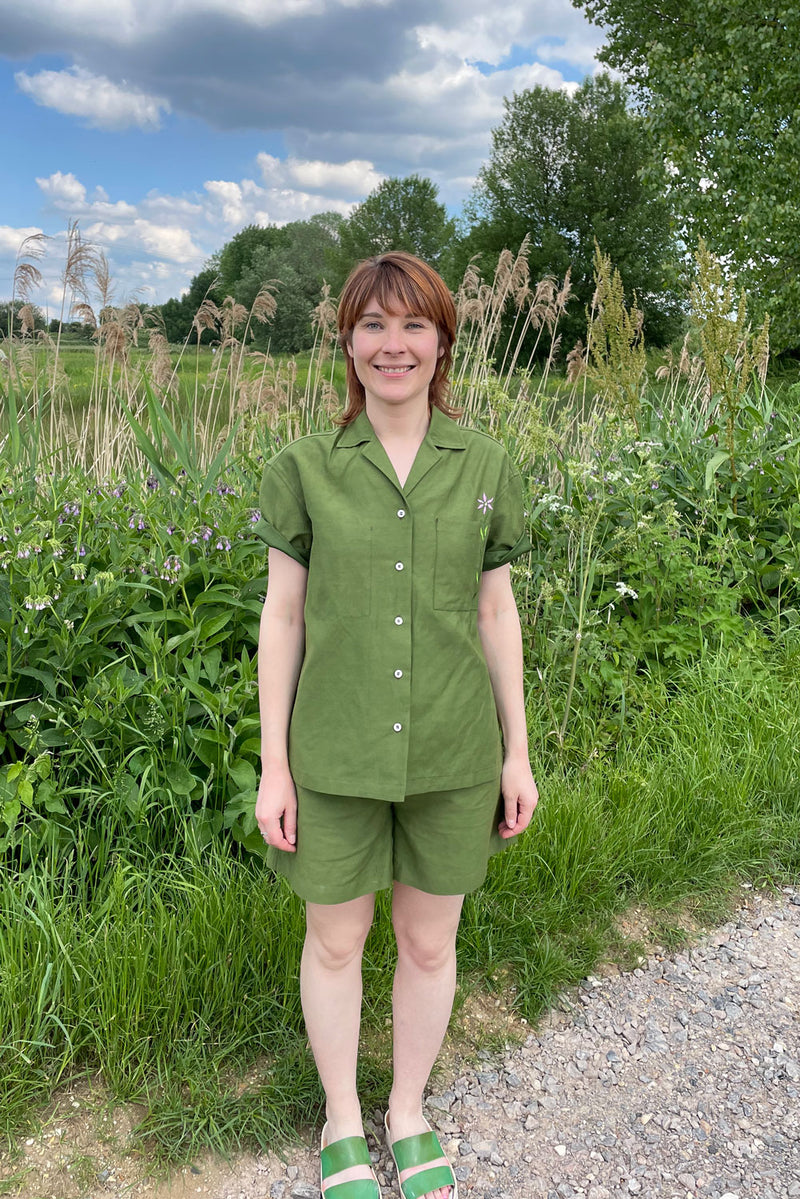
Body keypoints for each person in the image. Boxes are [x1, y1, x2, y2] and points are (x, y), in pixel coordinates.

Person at [254, 251, 538, 1199]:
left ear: (444, 339)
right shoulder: (304, 468)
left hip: (455, 748)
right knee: (335, 941)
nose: (394, 344)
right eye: (373, 325)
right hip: (330, 749)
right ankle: (342, 1119)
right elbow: (283, 619)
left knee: (428, 942)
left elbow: (497, 615)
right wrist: (273, 768)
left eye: (414, 324)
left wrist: (517, 753)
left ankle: (407, 1110)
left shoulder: (486, 464)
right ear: (347, 341)